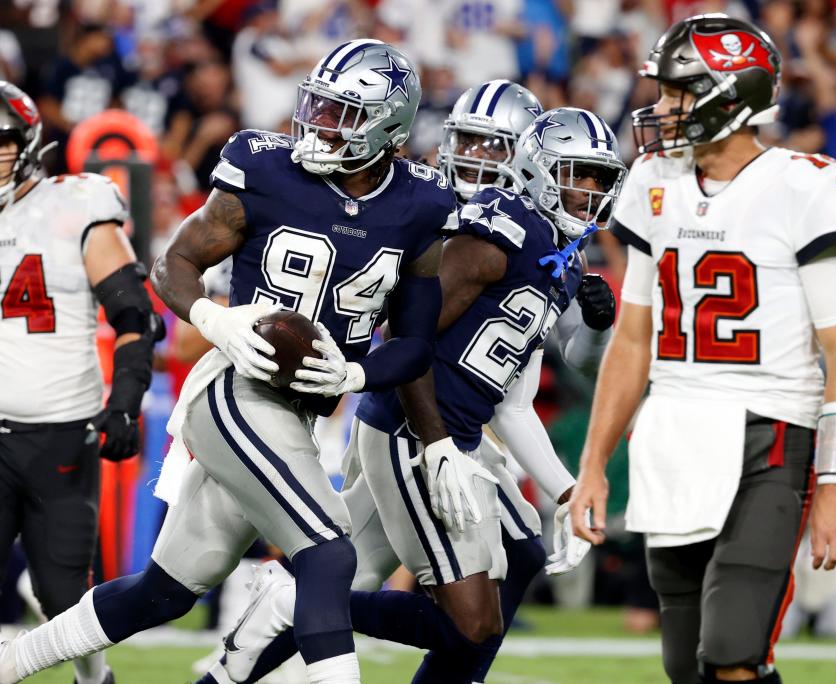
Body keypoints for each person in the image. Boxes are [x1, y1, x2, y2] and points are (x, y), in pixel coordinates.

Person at [0, 38, 451, 684]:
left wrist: (355, 373)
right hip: (237, 389)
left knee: (165, 590)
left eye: (341, 114)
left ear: (389, 129)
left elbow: (413, 344)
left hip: (298, 415)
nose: (319, 124)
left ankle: (12, 661)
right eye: (317, 106)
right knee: (327, 553)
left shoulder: (422, 207)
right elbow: (173, 262)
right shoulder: (265, 169)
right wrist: (215, 318)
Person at [197, 89, 622, 684]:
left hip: (446, 431)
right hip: (417, 428)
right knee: (469, 620)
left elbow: (514, 398)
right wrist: (439, 442)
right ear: (537, 166)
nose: (591, 192)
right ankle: (295, 607)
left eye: (600, 179)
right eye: (578, 176)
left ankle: (240, 658)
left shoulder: (561, 253)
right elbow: (408, 339)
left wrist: (565, 491)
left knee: (490, 560)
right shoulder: (495, 231)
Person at [569, 14, 836, 684]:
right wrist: (593, 463)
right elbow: (633, 338)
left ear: (728, 97)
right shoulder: (655, 179)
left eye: (678, 93)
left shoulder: (809, 186)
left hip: (770, 433)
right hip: (674, 431)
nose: (661, 108)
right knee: (688, 669)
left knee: (732, 653)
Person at [0, 81, 164, 684]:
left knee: (62, 591)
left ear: (27, 145)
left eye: (2, 142)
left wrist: (124, 403)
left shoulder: (75, 206)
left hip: (59, 432)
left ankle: (96, 680)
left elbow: (135, 317)